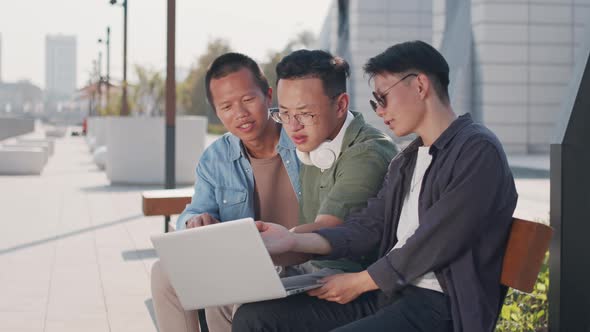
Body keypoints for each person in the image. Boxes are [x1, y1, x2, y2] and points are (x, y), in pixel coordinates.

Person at [232, 40, 518, 332]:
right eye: (375, 102)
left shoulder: (476, 150)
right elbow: (368, 227)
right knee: (254, 318)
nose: (379, 111)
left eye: (383, 98)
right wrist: (293, 241)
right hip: (391, 293)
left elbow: (435, 240)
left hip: (441, 305)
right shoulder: (407, 160)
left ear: (419, 85)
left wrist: (360, 282)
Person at [207, 49, 397, 331]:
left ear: (341, 105)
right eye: (284, 113)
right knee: (214, 294)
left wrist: (250, 252)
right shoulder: (312, 142)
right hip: (313, 271)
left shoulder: (367, 154)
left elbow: (327, 231)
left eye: (305, 113)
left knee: (249, 312)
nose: (293, 127)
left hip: (353, 282)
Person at [150, 52, 301, 332]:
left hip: (301, 265)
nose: (240, 114)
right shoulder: (216, 157)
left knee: (224, 296)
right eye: (227, 106)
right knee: (163, 272)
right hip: (246, 266)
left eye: (248, 100)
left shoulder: (302, 138)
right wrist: (195, 221)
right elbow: (195, 210)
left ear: (268, 96)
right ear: (217, 112)